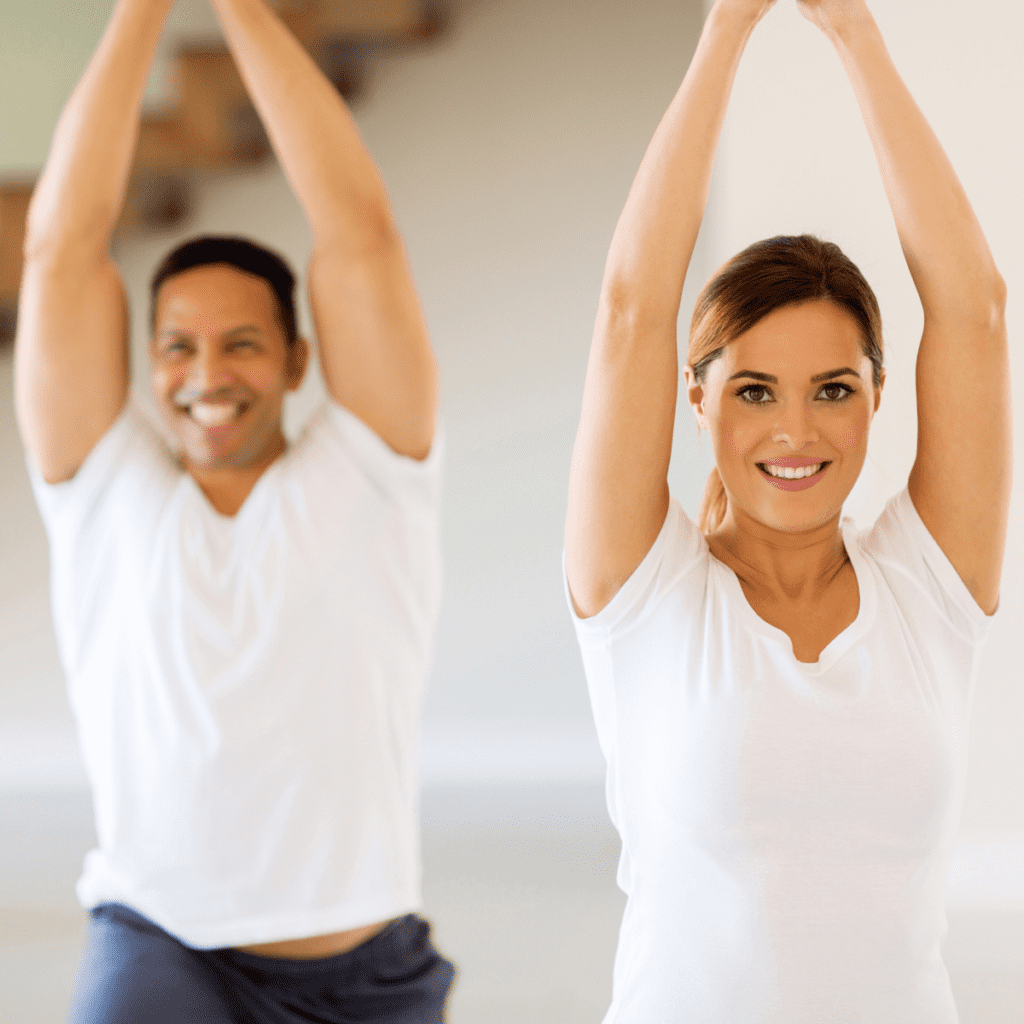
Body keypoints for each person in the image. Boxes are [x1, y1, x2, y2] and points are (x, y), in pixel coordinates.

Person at [564, 0, 1010, 1021]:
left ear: (876, 395)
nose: (795, 430)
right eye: (753, 390)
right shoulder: (643, 594)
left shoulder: (926, 589)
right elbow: (633, 306)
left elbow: (974, 308)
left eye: (833, 388)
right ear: (696, 397)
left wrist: (854, 34)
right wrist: (727, 30)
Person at [14, 0, 453, 1020]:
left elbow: (359, 233)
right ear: (148, 363)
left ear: (299, 359)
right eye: (178, 345)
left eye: (243, 343)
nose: (207, 373)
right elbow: (61, 250)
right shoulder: (102, 487)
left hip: (364, 964)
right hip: (160, 944)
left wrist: (240, 9)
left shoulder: (373, 468)